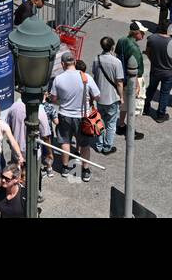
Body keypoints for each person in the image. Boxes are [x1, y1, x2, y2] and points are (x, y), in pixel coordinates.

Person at [49, 53, 99, 181]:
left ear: (62, 64)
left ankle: (65, 168)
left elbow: (53, 99)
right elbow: (98, 96)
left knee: (65, 142)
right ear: (75, 62)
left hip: (65, 115)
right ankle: (85, 170)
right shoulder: (86, 77)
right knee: (84, 144)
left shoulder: (58, 79)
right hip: (83, 116)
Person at [91, 37, 126, 152]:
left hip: (100, 97)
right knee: (111, 123)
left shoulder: (96, 59)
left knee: (100, 121)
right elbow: (119, 82)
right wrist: (121, 97)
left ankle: (99, 144)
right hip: (112, 98)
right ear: (112, 47)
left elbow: (95, 76)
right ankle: (107, 146)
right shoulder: (117, 62)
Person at [144, 23, 172, 120]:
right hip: (168, 72)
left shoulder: (151, 38)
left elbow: (148, 52)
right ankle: (160, 115)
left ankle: (145, 108)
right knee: (164, 93)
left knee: (151, 89)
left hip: (155, 70)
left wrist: (153, 61)